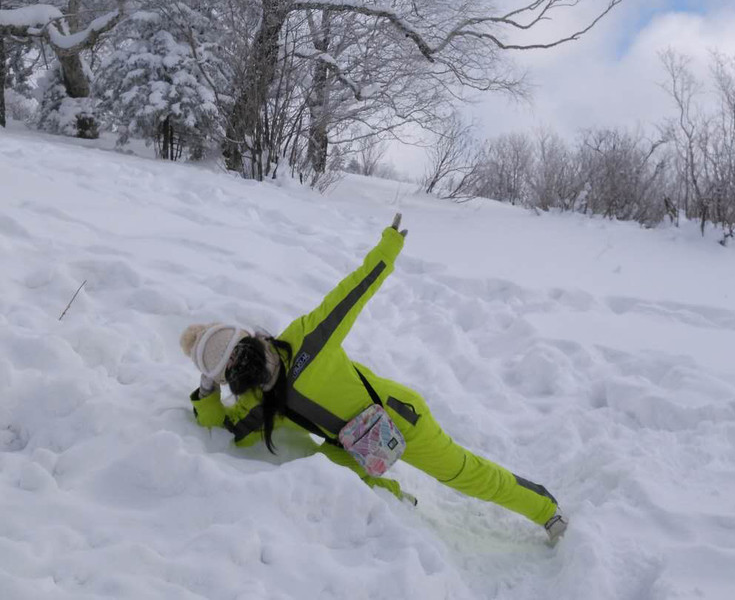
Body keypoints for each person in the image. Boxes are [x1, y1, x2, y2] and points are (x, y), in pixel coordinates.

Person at [180, 214, 568, 543]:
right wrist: (207, 386)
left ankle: (545, 508)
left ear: (246, 336)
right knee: (325, 476)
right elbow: (225, 429)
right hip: (355, 448)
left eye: (233, 348)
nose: (234, 361)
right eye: (224, 367)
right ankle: (394, 502)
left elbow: (353, 292)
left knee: (463, 474)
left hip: (401, 419)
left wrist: (389, 245)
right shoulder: (261, 403)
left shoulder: (306, 340)